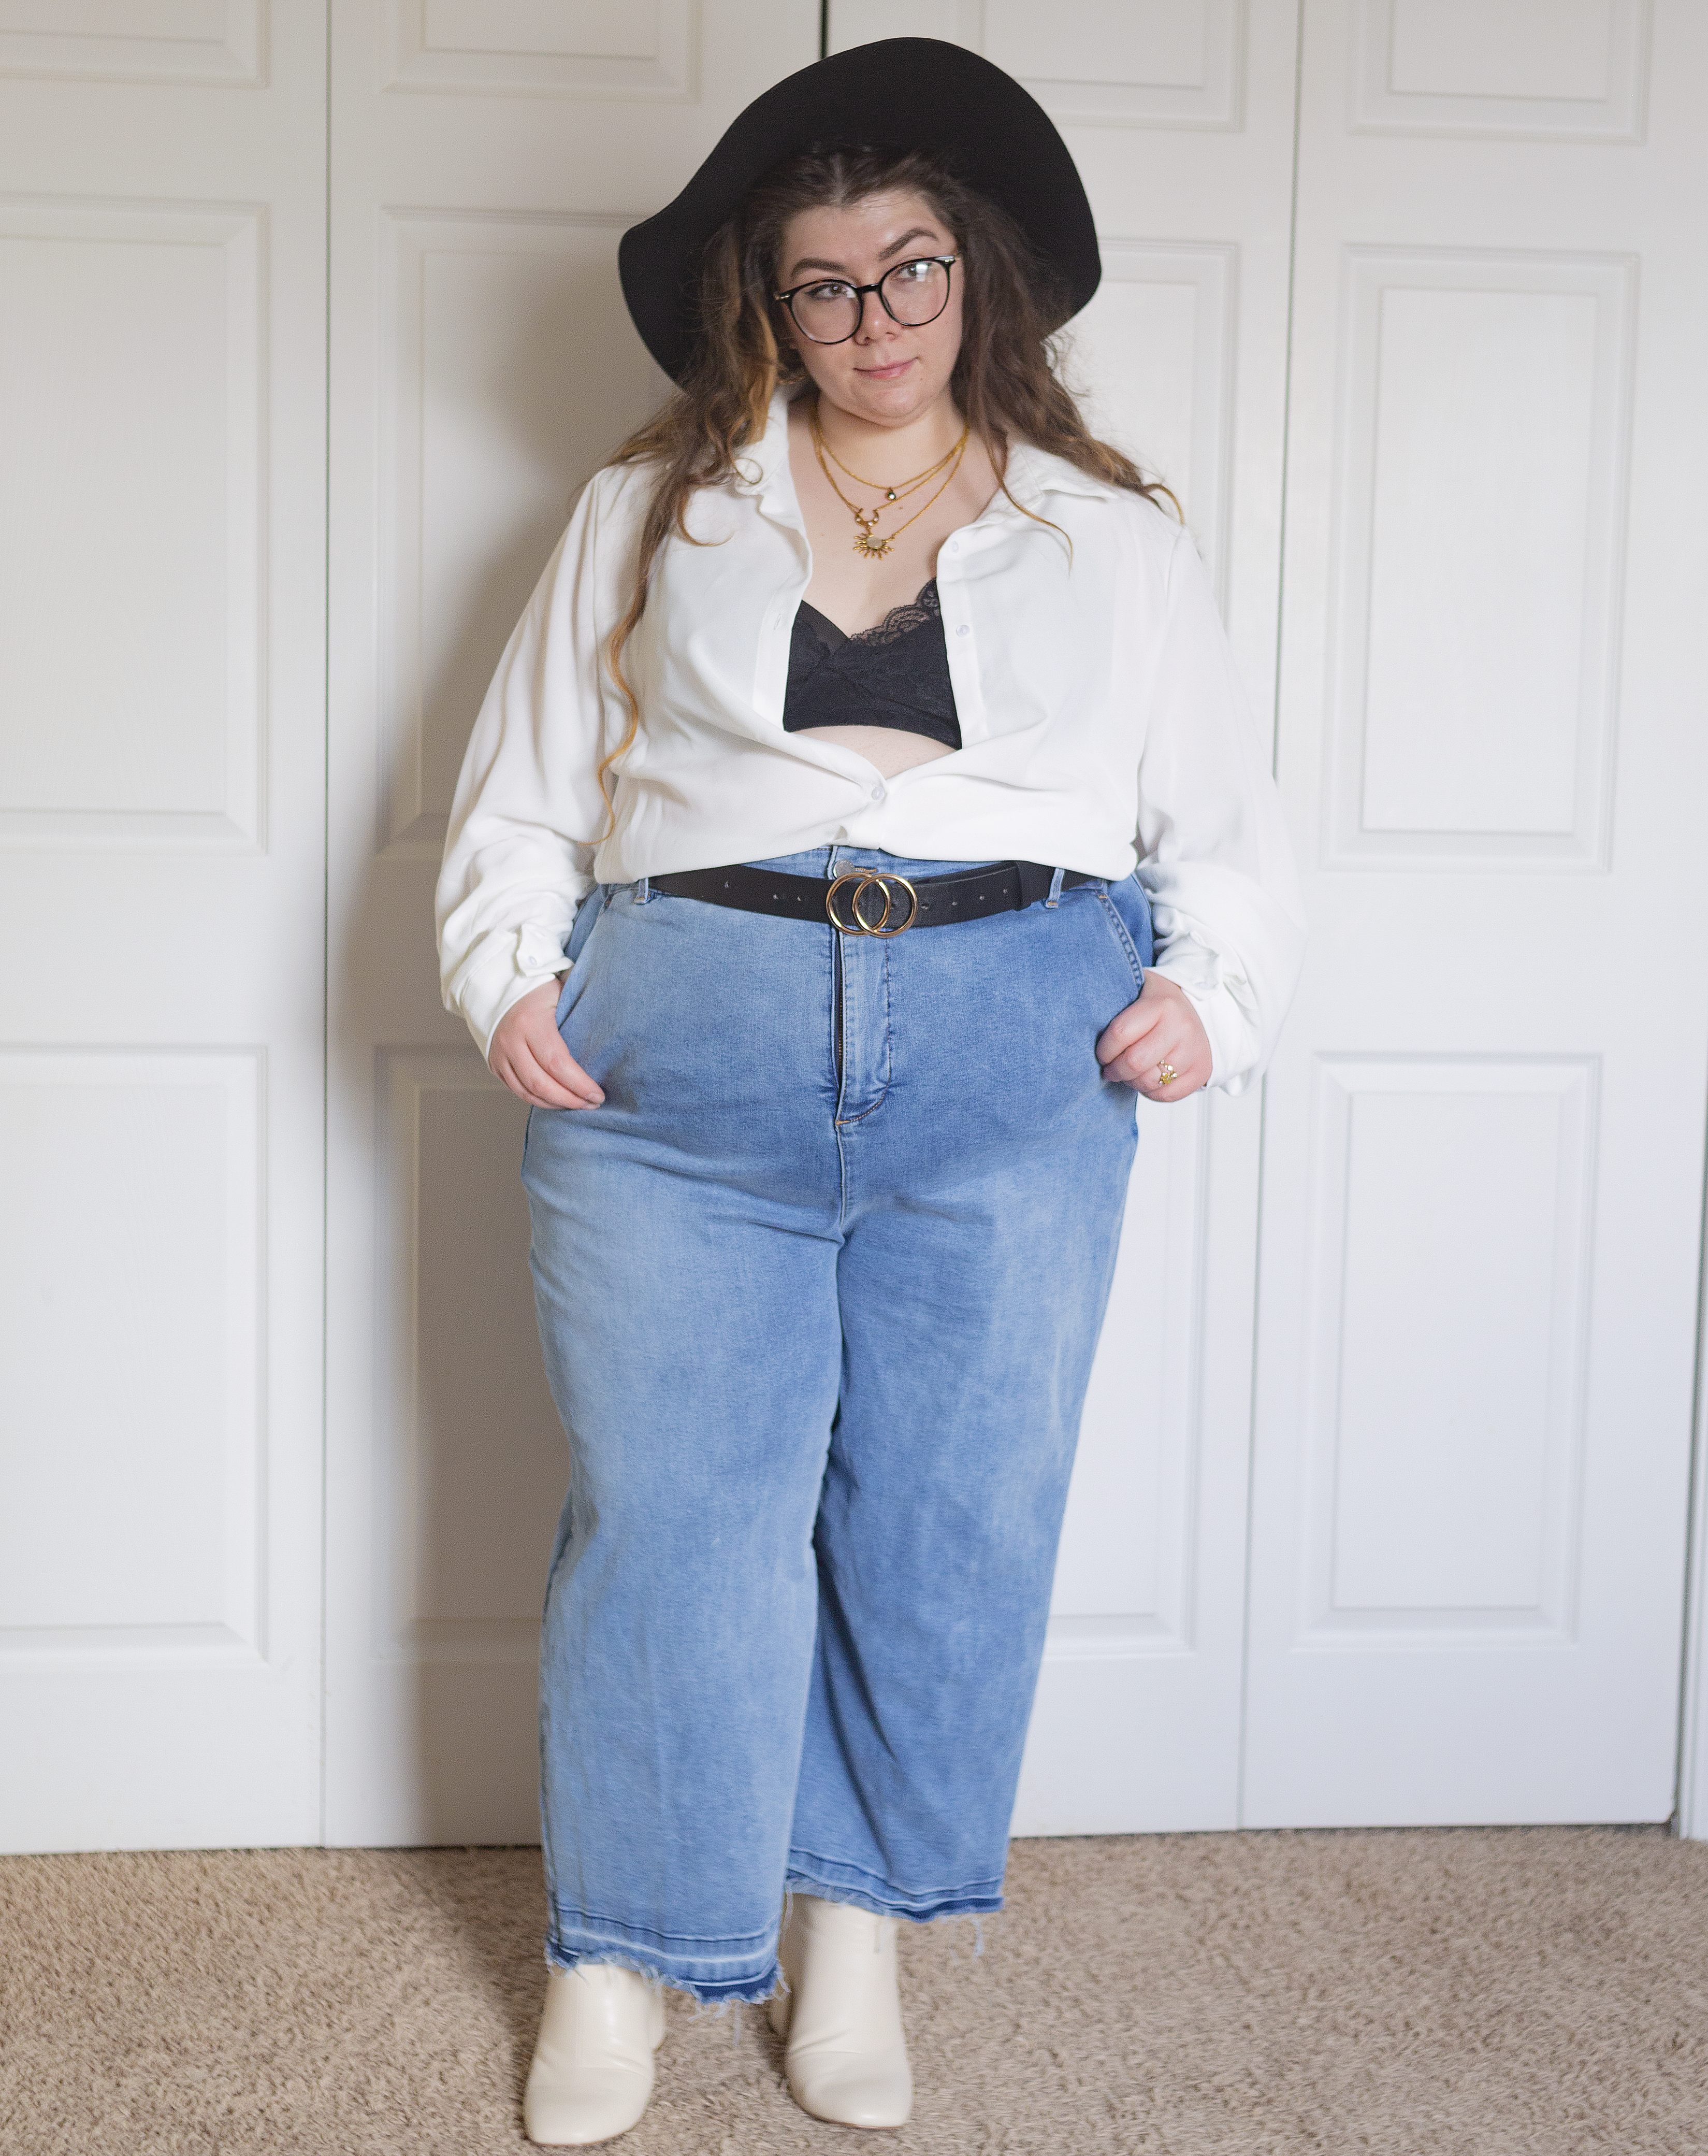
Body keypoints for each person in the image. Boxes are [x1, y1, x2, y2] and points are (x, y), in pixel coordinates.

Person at [435, 37, 1304, 2147]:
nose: (873, 323)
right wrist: (498, 978)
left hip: (1012, 1079)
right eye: (823, 285)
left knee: (942, 1522)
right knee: (673, 1516)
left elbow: (1229, 833)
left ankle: (854, 1935)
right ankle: (620, 1956)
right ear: (767, 303)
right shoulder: (650, 509)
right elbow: (523, 797)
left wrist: (1215, 994)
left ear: (975, 279)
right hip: (680, 1074)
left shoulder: (1108, 536)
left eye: (908, 272)